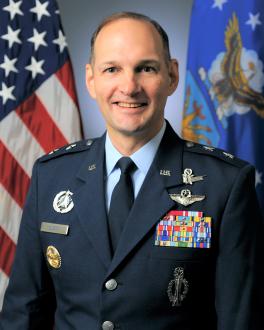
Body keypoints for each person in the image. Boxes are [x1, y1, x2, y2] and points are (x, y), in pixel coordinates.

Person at [0, 11, 263, 330]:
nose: (129, 86)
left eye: (146, 68)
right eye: (112, 69)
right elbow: (23, 312)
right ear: (91, 80)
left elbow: (240, 320)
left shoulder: (226, 184)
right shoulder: (51, 175)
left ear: (172, 75)